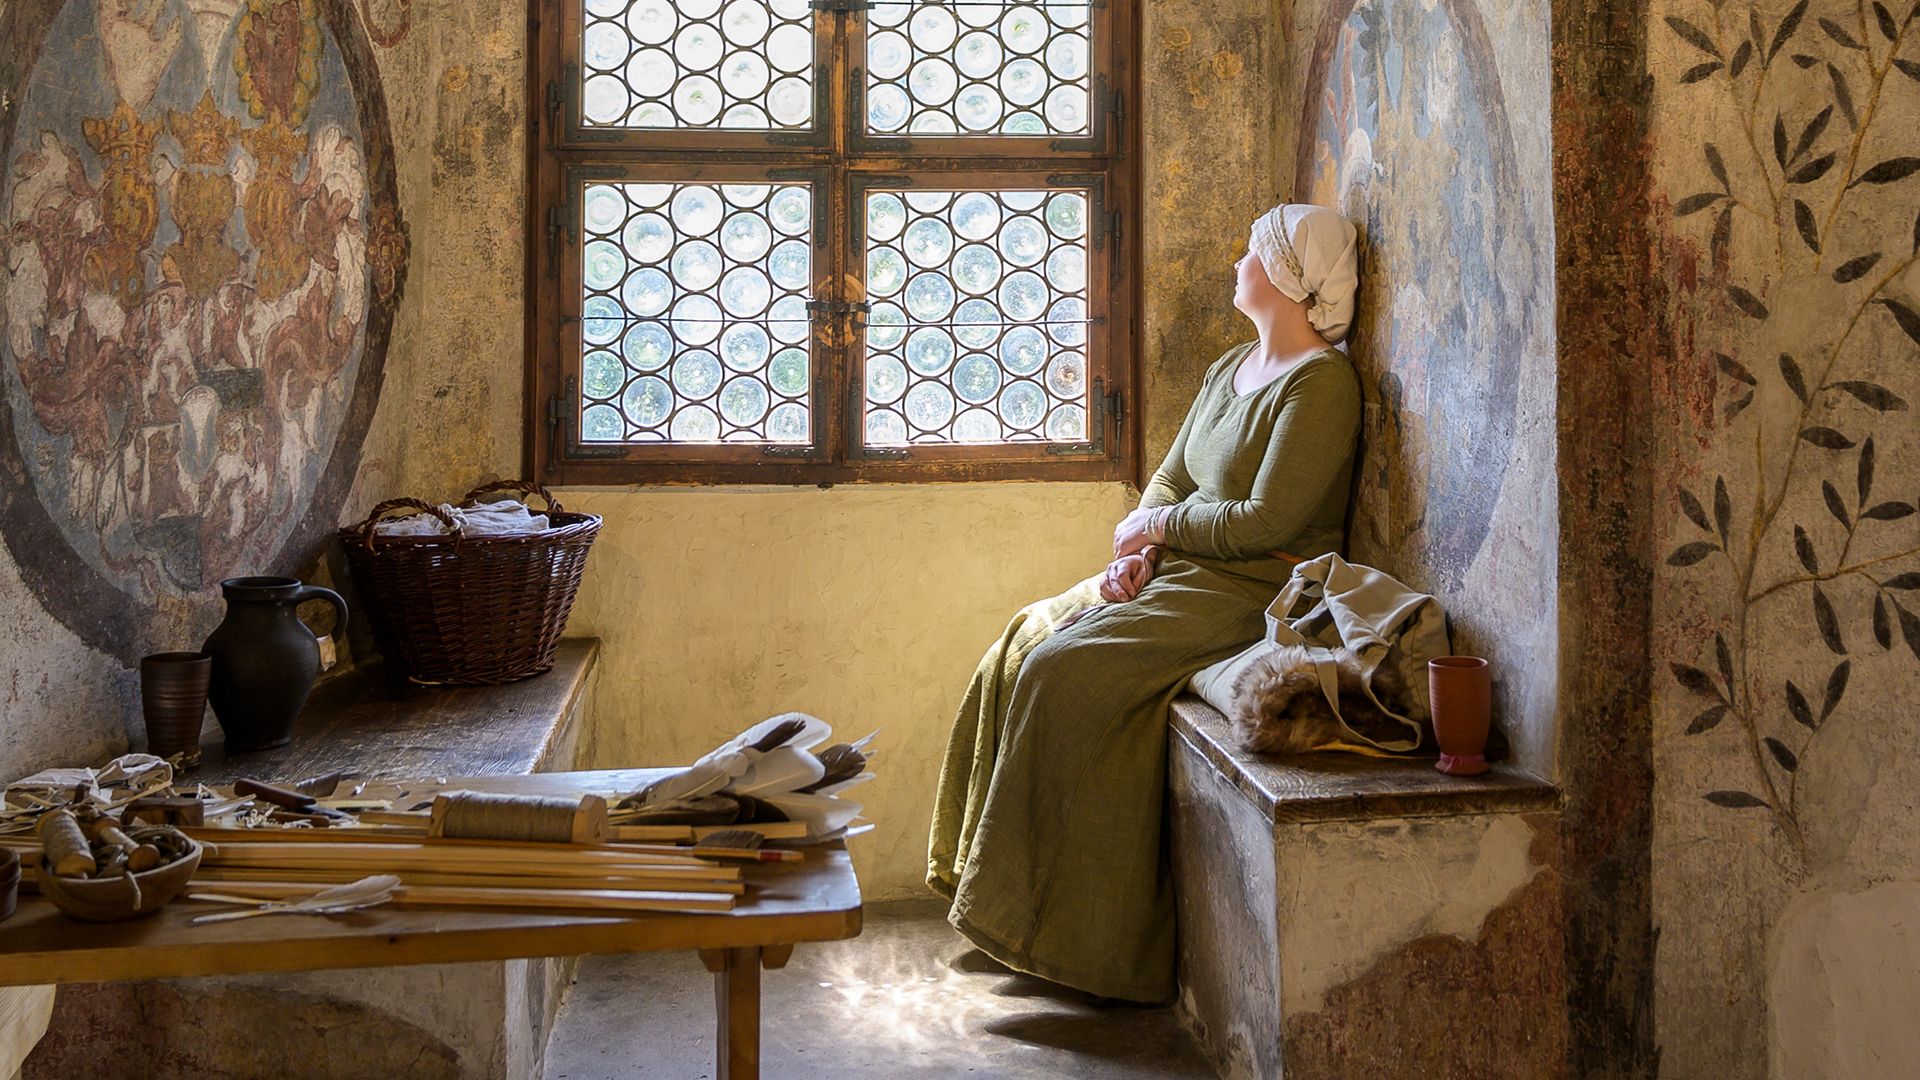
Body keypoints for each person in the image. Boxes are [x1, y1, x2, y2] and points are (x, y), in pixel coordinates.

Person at [926, 203, 1363, 1003]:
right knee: (1026, 635)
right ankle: (987, 887)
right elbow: (1171, 480)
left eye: (1251, 251)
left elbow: (1267, 522)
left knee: (1063, 671)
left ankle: (1076, 938)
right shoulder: (1230, 365)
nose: (1238, 263)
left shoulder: (1322, 388)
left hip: (1255, 588)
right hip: (1183, 566)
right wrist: (1141, 552)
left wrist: (1156, 527)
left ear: (1287, 278)